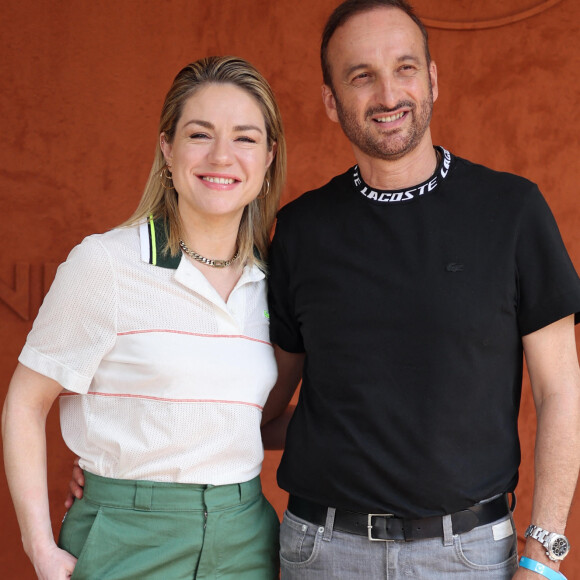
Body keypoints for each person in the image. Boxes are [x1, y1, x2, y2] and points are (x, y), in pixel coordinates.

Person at [262, 1, 580, 579]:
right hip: (323, 553)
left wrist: (546, 551)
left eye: (405, 68)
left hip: (468, 555)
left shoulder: (511, 211)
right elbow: (259, 405)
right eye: (361, 76)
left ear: (432, 77)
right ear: (332, 101)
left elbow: (561, 391)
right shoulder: (302, 230)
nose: (388, 94)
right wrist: (123, 463)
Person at [2, 55, 286, 580]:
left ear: (269, 158)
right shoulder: (106, 264)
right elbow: (25, 402)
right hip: (125, 538)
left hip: (246, 537)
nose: (222, 155)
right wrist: (39, 546)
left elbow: (244, 419)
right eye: (200, 134)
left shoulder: (276, 279)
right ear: (167, 148)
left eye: (245, 138)